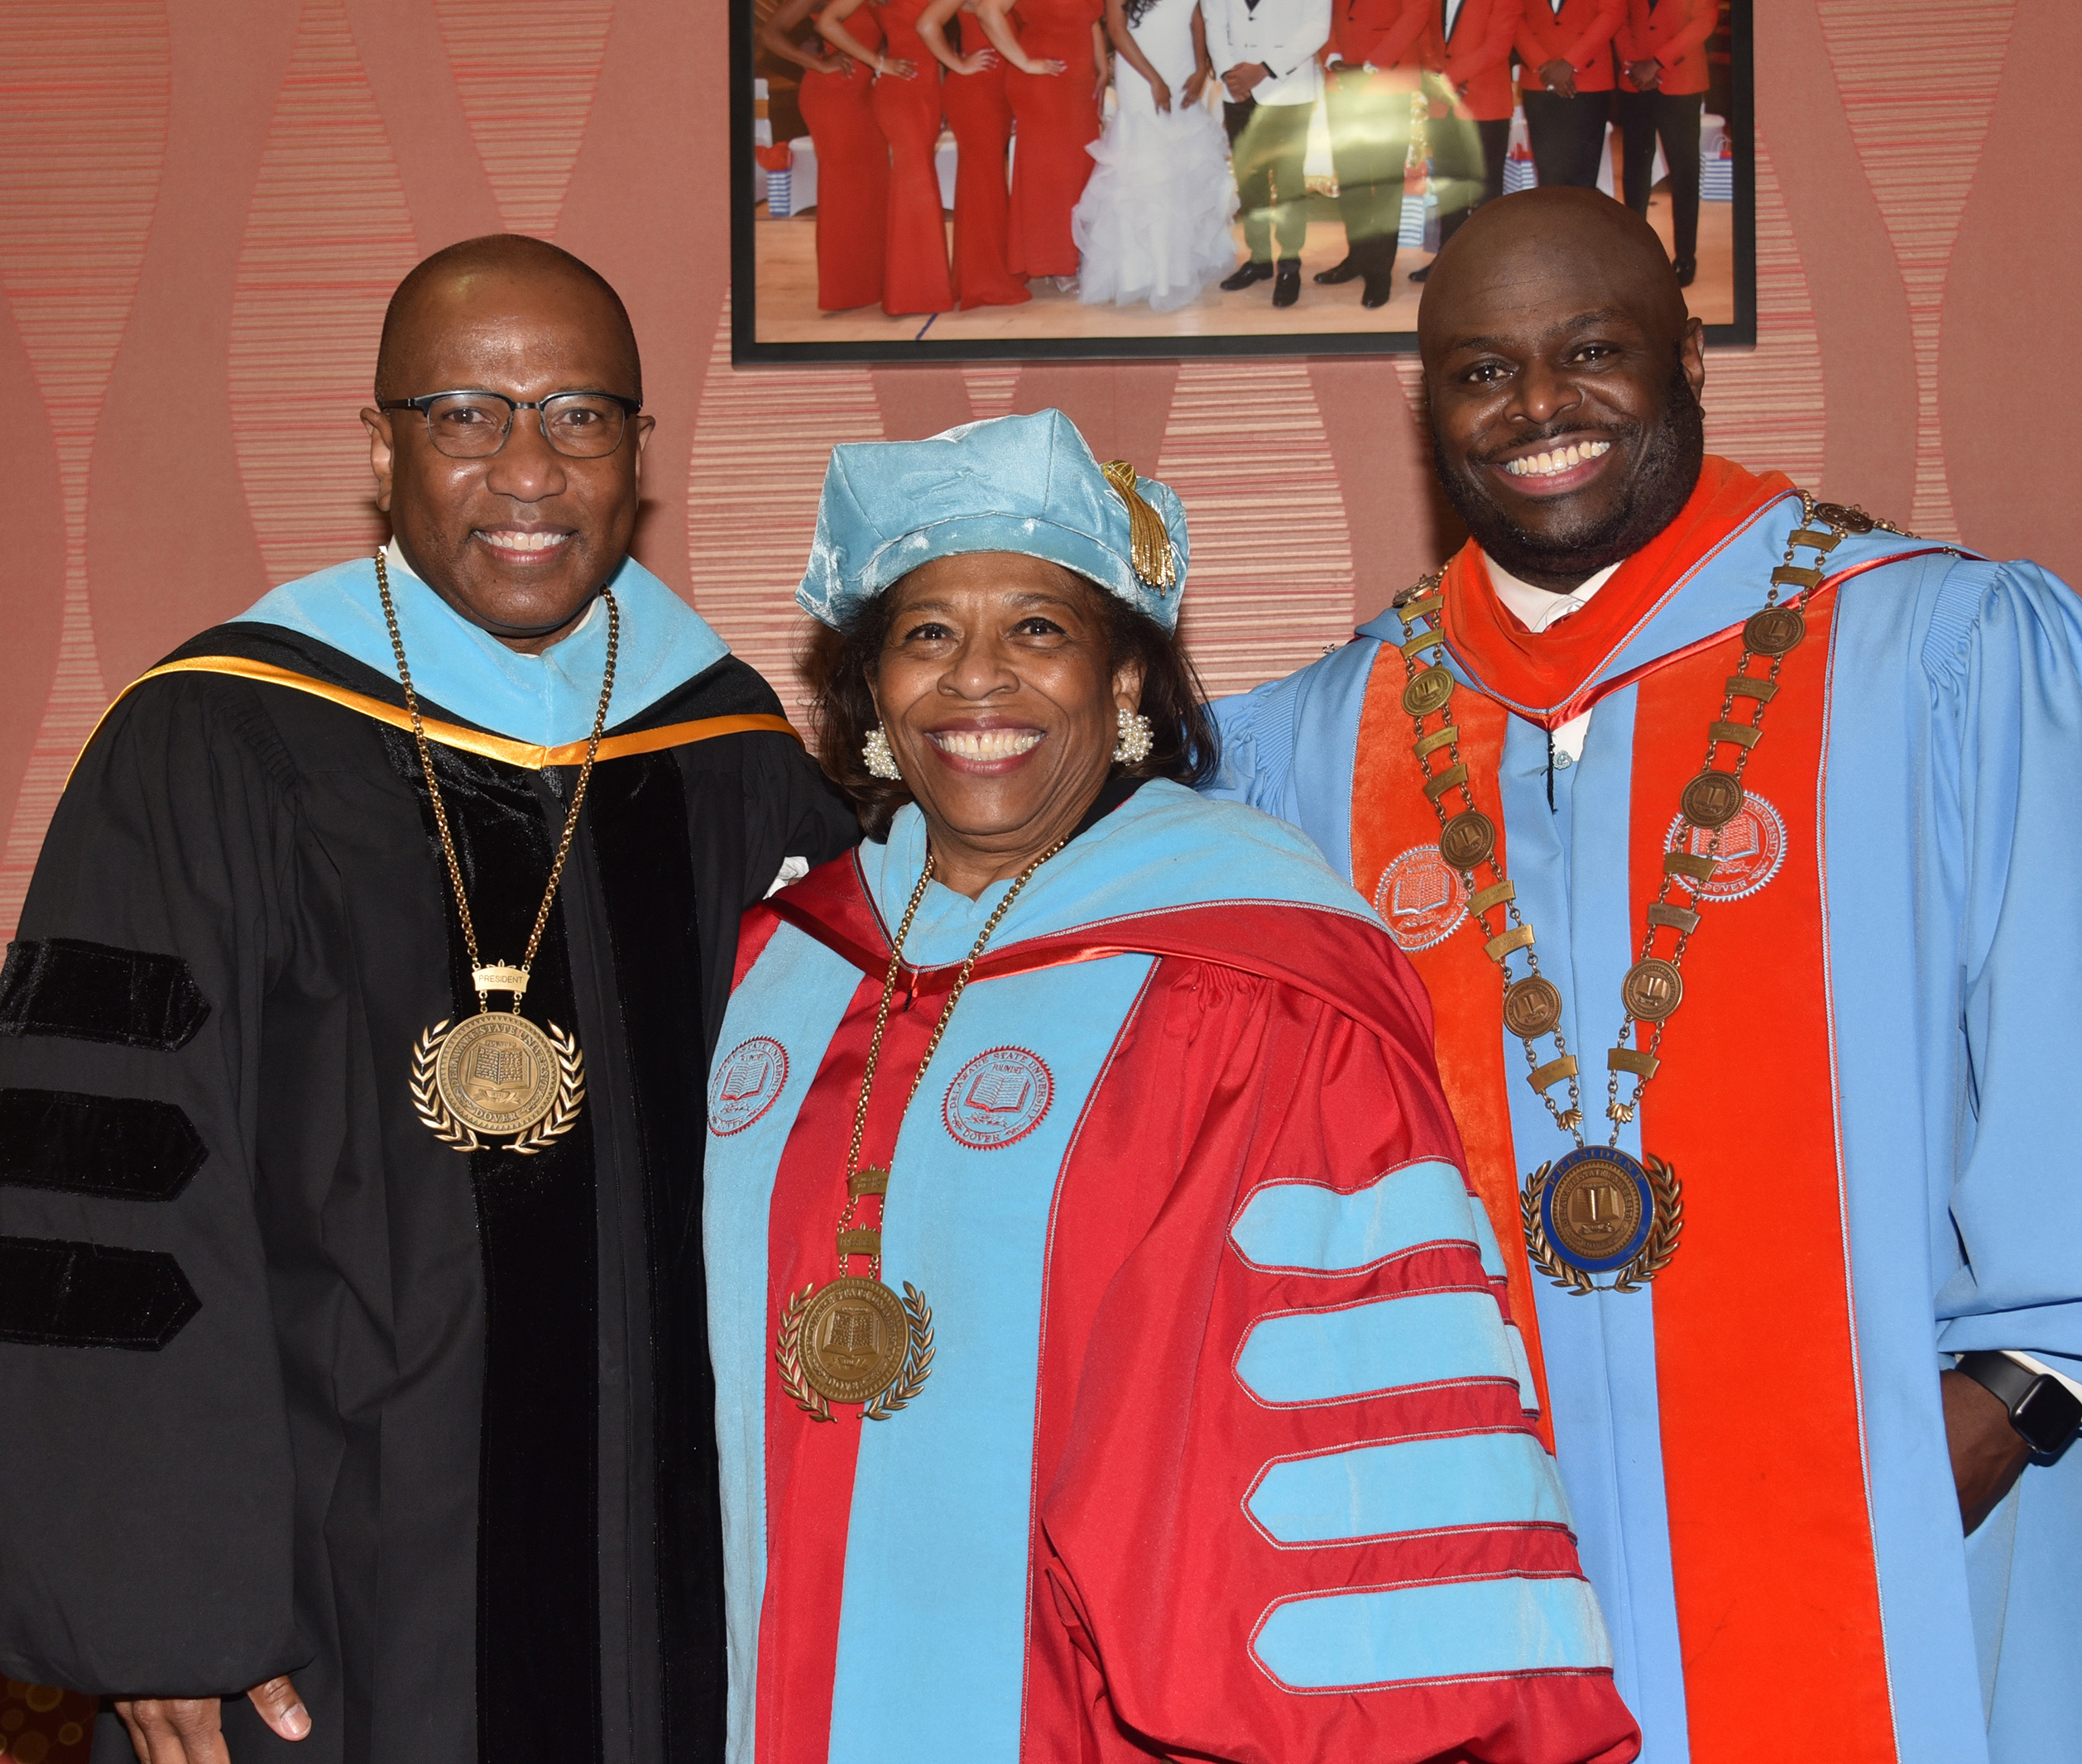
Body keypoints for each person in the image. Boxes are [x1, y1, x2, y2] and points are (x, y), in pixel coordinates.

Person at [1207, 186, 2082, 1762]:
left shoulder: (1938, 651)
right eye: (1483, 372)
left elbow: (2064, 1050)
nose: (1541, 407)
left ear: (1687, 357)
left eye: (1592, 351)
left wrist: (2011, 1399)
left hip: (1903, 1524)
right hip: (1474, 1561)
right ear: (1430, 411)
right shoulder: (1319, 744)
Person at [0, 236, 859, 1764]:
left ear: (638, 452)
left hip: (683, 1591)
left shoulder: (729, 756)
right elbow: (104, 1202)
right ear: (380, 443)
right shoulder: (210, 746)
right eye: (467, 413)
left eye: (581, 415)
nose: (527, 466)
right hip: (323, 1585)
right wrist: (165, 1610)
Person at [703, 409, 1642, 1763]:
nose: (979, 681)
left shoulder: (1256, 970)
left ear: (1126, 677)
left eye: (1038, 628)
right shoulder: (786, 964)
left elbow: (1354, 1405)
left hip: (1100, 1711)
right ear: (866, 692)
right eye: (925, 633)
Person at [1070, 0, 1237, 312]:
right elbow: (1118, 33)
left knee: (1184, 161)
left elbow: (1196, 18)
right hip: (1140, 74)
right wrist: (1155, 80)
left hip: (1183, 68)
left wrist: (1201, 68)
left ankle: (1181, 265)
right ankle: (1147, 273)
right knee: (1149, 166)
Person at [818, 0, 957, 315]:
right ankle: (913, 293)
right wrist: (878, 62)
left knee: (918, 185)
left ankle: (917, 288)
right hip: (902, 89)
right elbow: (826, 23)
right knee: (914, 186)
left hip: (926, 88)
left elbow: (933, 41)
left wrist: (944, 89)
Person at [760, 0, 891, 312]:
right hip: (833, 95)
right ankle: (845, 291)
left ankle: (871, 284)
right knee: (845, 193)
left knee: (872, 189)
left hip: (862, 94)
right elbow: (770, 33)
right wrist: (814, 63)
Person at [1205, 0, 1330, 306]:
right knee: (1250, 182)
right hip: (1238, 93)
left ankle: (1289, 266)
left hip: (1288, 89)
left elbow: (1317, 27)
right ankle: (1259, 259)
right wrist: (1228, 74)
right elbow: (1213, 19)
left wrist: (1264, 69)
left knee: (1288, 184)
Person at [976, 0, 1108, 282]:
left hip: (1080, 82)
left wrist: (1102, 68)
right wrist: (1023, 62)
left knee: (1079, 170)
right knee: (1054, 174)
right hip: (1045, 80)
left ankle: (1071, 254)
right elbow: (987, 10)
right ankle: (1056, 262)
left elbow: (1091, 18)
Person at [917, 0, 1033, 307]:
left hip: (992, 95)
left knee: (986, 186)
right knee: (983, 188)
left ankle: (988, 271)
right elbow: (926, 25)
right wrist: (959, 64)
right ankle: (984, 280)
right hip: (976, 94)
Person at [1316, 0, 1429, 305]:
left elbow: (1417, 14)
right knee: (1351, 178)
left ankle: (1380, 270)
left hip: (1386, 78)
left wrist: (1372, 64)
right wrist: (1333, 57)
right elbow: (1324, 9)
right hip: (1341, 81)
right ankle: (1358, 257)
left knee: (1385, 178)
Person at [1410, 0, 1518, 284]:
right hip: (1443, 104)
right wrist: (1436, 75)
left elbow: (1498, 46)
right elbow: (1423, 35)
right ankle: (1446, 262)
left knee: (1487, 191)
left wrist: (1450, 77)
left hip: (1485, 103)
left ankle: (1485, 268)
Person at [1614, 0, 1711, 285]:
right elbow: (1618, 18)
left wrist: (1657, 63)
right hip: (1634, 79)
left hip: (1681, 79)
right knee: (1635, 171)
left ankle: (1685, 258)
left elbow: (1704, 20)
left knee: (1684, 173)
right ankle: (1636, 256)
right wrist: (1634, 64)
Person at [1514, 0, 1624, 191]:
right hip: (1540, 80)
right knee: (1548, 175)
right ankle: (1553, 222)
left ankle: (1580, 222)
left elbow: (1613, 13)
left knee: (1583, 177)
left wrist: (1571, 62)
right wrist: (1542, 64)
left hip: (1588, 80)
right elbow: (1513, 16)